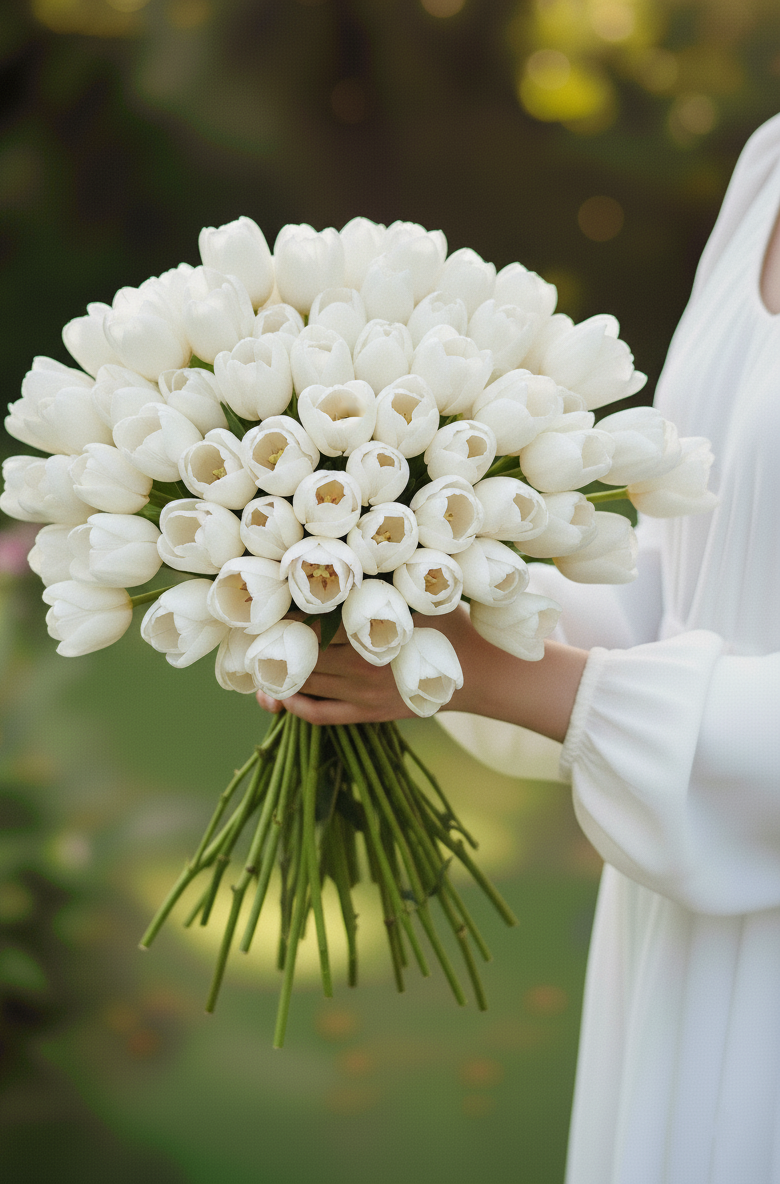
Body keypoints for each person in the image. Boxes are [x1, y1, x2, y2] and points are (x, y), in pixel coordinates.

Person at [257, 113, 780, 1183]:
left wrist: (537, 683)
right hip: (677, 939)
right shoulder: (770, 164)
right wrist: (429, 598)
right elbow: (695, 573)